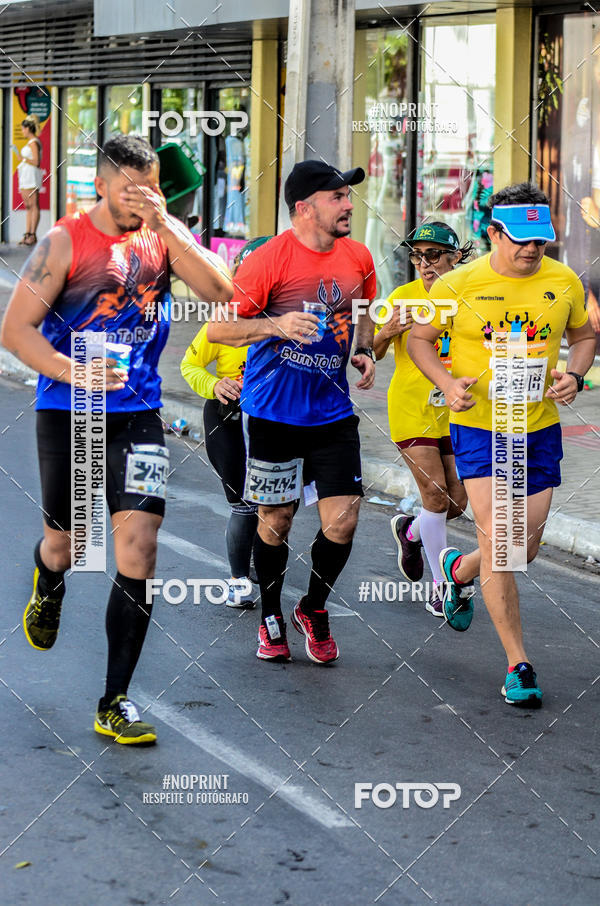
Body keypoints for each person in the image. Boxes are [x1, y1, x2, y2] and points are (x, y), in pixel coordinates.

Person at [0, 134, 233, 744]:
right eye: (129, 190)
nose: (140, 200)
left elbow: (220, 293)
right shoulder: (64, 241)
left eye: (150, 188)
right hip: (72, 409)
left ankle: (115, 700)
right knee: (70, 544)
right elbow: (15, 330)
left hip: (139, 414)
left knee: (139, 546)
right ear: (99, 185)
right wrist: (70, 369)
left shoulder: (163, 238)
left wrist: (170, 225)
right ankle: (47, 583)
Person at [408, 182, 595, 708]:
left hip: (537, 427)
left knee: (524, 546)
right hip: (481, 427)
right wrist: (447, 386)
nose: (532, 250)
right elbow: (419, 340)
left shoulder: (563, 282)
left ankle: (457, 571)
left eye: (540, 240)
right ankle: (518, 664)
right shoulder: (456, 284)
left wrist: (576, 376)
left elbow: (583, 337)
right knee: (504, 540)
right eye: (519, 239)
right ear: (492, 233)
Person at [207, 159, 376, 663]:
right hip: (274, 413)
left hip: (332, 413)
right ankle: (271, 616)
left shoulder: (358, 256)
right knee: (276, 518)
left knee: (342, 521)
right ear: (304, 208)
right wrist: (275, 326)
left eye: (348, 196)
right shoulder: (268, 260)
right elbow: (219, 330)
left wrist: (364, 349)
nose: (349, 205)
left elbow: (364, 307)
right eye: (337, 197)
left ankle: (314, 607)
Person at [373, 222, 471, 616]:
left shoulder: (468, 294)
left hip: (456, 408)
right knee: (434, 496)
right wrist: (387, 331)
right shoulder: (403, 296)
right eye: (417, 256)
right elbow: (376, 350)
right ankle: (440, 586)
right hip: (411, 409)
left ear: (454, 257)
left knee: (458, 502)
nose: (424, 264)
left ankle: (410, 531)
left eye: (433, 255)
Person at [180, 238, 272, 607]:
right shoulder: (225, 318)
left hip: (271, 420)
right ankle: (238, 580)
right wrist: (215, 383)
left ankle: (260, 558)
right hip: (227, 419)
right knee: (243, 503)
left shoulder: (284, 317)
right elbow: (189, 365)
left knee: (274, 504)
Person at [13, 114, 43, 246]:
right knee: (28, 206)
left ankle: (32, 234)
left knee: (33, 205)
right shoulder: (31, 143)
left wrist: (22, 158)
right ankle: (28, 233)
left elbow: (36, 161)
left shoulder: (34, 143)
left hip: (31, 177)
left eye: (23, 129)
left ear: (28, 129)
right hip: (25, 177)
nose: (22, 132)